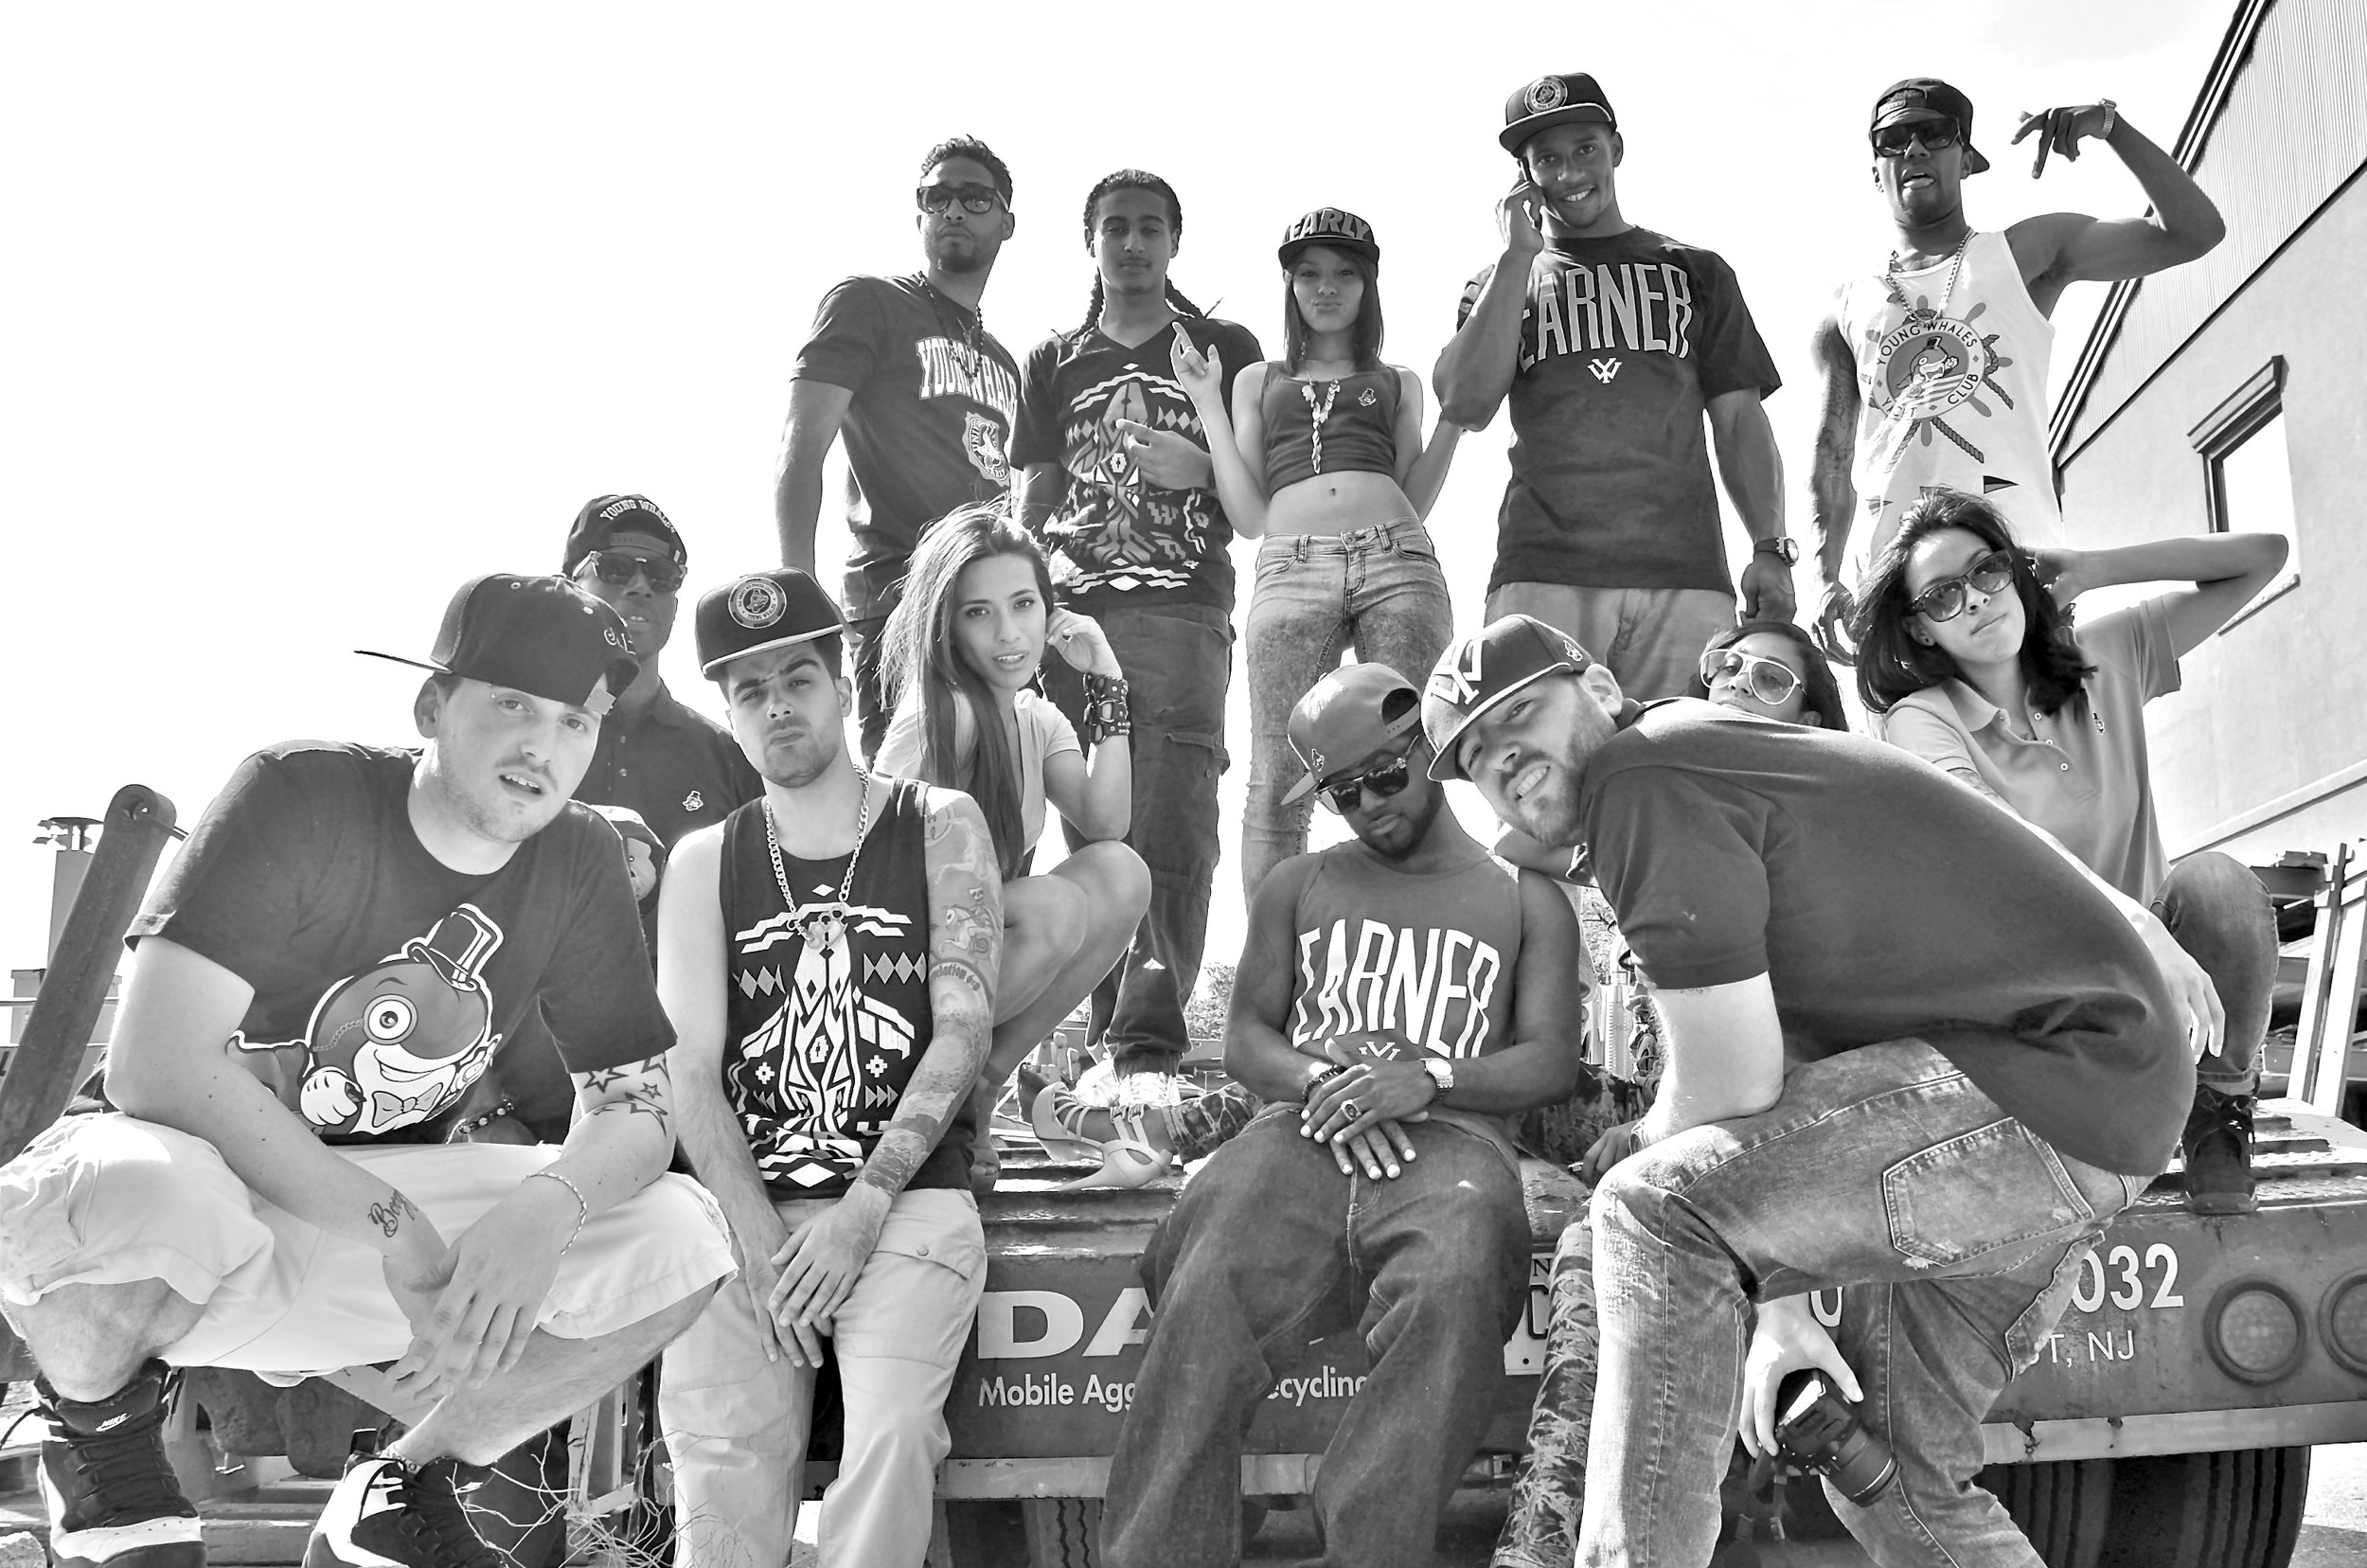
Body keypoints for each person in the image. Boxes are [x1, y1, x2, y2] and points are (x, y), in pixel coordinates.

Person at [1425, 612, 2209, 1566]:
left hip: (2044, 1078)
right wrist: (1780, 1308)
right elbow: (1781, 1116)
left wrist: (1641, 1156)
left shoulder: (1641, 773)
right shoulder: (1697, 763)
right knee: (1897, 1482)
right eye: (1474, 755)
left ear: (1596, 689)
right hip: (2090, 1103)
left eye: (1518, 716)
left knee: (1644, 1209)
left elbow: (1730, 1093)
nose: (1502, 756)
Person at [0, 574, 734, 1568]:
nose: (544, 745)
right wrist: (396, 1226)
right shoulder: (302, 792)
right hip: (186, 1220)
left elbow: (637, 1110)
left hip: (356, 1242)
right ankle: (95, 1438)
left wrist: (544, 1211)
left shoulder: (578, 856)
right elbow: (154, 1066)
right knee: (140, 1190)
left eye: (576, 721)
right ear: (432, 706)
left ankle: (400, 1485)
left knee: (680, 1236)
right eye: (513, 704)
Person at [1098, 664, 1584, 1568]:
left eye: (1385, 777)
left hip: (1454, 1147)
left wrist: (1427, 1078)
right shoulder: (1296, 883)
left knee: (1457, 1282)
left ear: (1428, 752)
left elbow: (1550, 1059)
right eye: (1342, 793)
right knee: (1204, 1281)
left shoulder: (1526, 898)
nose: (1368, 806)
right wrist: (1326, 1077)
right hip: (1301, 1130)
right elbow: (1248, 1037)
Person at [656, 569, 1003, 1568]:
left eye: (798, 679)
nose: (777, 706)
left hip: (903, 1203)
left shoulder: (937, 822)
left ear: (843, 689)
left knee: (891, 1437)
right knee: (720, 1455)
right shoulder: (703, 861)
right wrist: (756, 1234)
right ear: (730, 716)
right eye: (750, 691)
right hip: (745, 1210)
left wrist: (861, 1208)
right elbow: (690, 1069)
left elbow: (963, 1030)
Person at [1852, 489, 2287, 1212]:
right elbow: (2003, 840)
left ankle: (2219, 1109)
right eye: (1943, 595)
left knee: (2220, 887)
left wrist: (2093, 568)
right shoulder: (1920, 721)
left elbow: (2264, 557)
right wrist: (2137, 923)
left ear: (2014, 571)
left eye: (1987, 570)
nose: (1975, 599)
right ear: (1920, 629)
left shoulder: (2104, 658)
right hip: (2045, 990)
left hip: (2158, 974)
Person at [1811, 78, 2225, 642]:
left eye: (1935, 133)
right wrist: (1824, 576)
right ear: (1875, 170)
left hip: (2017, 563)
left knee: (2040, 703)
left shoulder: (2025, 253)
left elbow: (2192, 234)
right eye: (1893, 139)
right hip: (1893, 585)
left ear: (1967, 159)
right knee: (1917, 707)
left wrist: (2112, 128)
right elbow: (1832, 452)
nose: (1914, 149)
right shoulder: (1844, 304)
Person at [1014, 169, 1263, 1078]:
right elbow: (1032, 494)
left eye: (1150, 227)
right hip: (1075, 612)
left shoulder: (1222, 347)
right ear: (1091, 242)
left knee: (1172, 816)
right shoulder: (1053, 360)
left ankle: (1147, 1047)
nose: (1132, 243)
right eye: (1114, 227)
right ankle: (1099, 1041)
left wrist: (1199, 466)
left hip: (1181, 605)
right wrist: (1027, 600)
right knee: (1091, 824)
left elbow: (1257, 490)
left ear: (1174, 242)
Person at [1434, 72, 1791, 700]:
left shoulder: (1696, 271)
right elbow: (1464, 405)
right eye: (1547, 159)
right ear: (1523, 175)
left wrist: (1770, 547)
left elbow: (1739, 421)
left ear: (1616, 149)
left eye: (1585, 149)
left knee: (1684, 758)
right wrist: (1517, 257)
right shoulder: (1498, 285)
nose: (1570, 172)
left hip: (1686, 578)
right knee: (1544, 758)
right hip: (1542, 573)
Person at [1169, 206, 1463, 898]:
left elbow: (1415, 496)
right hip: (1290, 565)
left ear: (1368, 286)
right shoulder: (1256, 380)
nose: (1326, 288)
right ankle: (1274, 951)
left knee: (1414, 755)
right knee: (1279, 773)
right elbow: (1249, 515)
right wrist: (1206, 401)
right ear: (1290, 286)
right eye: (1308, 275)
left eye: (1344, 274)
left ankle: (1418, 927)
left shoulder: (1399, 380)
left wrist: (1455, 417)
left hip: (1398, 558)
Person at [454, 494, 765, 1147]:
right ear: (571, 585)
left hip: (682, 1127)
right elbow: (439, 910)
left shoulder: (729, 757)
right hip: (505, 1122)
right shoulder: (509, 743)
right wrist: (481, 1110)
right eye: (616, 568)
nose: (641, 586)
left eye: (663, 574)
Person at [874, 505, 1150, 1184]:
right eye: (979, 613)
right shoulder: (941, 714)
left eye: (1023, 604)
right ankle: (913, 1086)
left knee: (1119, 873)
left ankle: (977, 1087)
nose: (1008, 633)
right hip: (889, 970)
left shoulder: (1037, 720)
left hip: (966, 958)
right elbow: (866, 868)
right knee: (1054, 906)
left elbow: (1106, 824)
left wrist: (1107, 681)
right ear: (946, 626)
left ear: (1049, 610)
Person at [775, 136, 1023, 757]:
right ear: (919, 216)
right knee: (907, 799)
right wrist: (797, 592)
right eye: (936, 197)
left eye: (975, 197)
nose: (953, 210)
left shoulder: (1005, 363)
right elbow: (800, 449)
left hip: (990, 609)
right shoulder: (869, 304)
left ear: (1007, 222)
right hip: (899, 600)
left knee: (1001, 797)